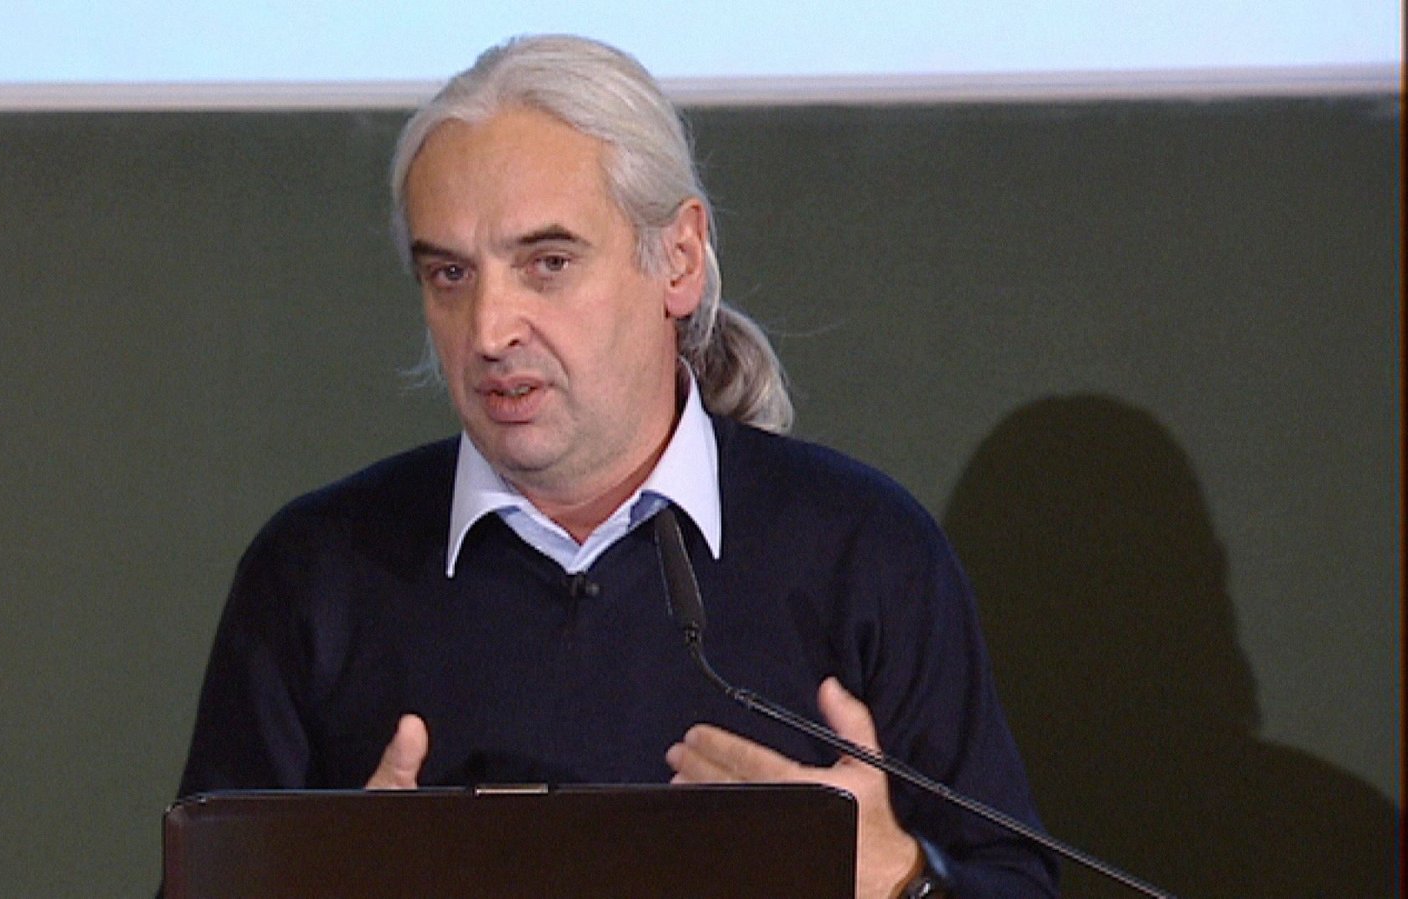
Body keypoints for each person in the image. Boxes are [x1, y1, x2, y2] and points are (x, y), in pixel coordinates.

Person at [176, 34, 1056, 898]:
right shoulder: (318, 571)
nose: (489, 331)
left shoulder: (863, 552)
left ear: (678, 259)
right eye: (450, 275)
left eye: (547, 263)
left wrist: (901, 883)